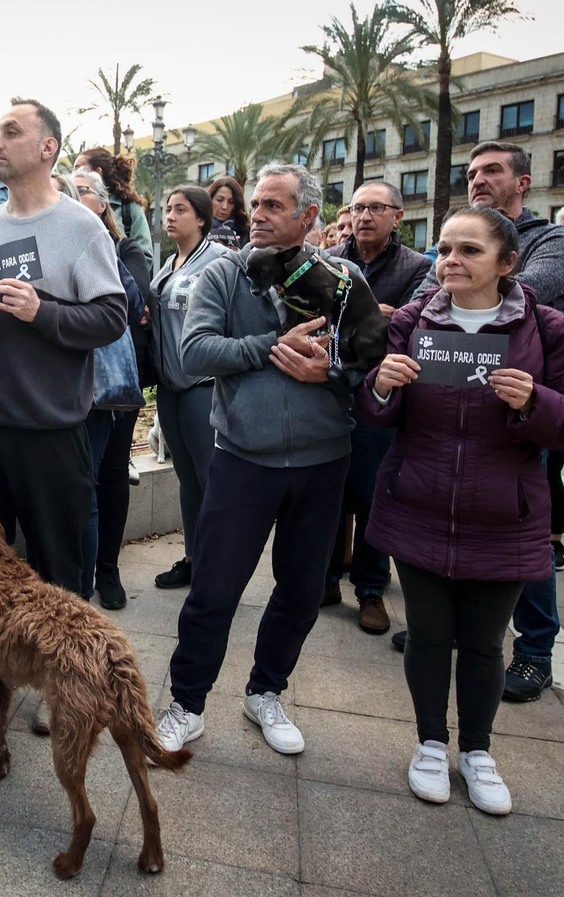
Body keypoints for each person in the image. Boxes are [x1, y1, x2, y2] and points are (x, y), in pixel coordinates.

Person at [361, 207, 564, 816]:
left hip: (505, 514)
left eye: (469, 250)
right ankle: (429, 743)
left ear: (507, 263)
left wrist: (536, 401)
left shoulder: (547, 330)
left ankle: (477, 750)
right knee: (427, 634)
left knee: (482, 643)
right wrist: (382, 385)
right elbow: (371, 411)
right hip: (418, 502)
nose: (451, 262)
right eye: (445, 249)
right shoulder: (414, 321)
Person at [153, 163, 358, 757]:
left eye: (275, 205)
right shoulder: (225, 274)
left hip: (324, 464)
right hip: (244, 460)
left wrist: (333, 370)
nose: (258, 214)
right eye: (257, 204)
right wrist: (271, 347)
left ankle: (265, 691)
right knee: (214, 588)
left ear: (308, 216)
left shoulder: (341, 279)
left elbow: (368, 359)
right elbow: (193, 353)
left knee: (300, 589)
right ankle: (186, 704)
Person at [409, 142, 564, 703]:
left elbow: (537, 291)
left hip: (513, 420)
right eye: (472, 172)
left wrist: (476, 289)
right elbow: (423, 296)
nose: (478, 179)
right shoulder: (451, 259)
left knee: (520, 534)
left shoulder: (551, 238)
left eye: (493, 171)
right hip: (444, 418)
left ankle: (533, 650)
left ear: (522, 183)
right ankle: (444, 625)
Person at [0, 100, 126, 594]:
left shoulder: (83, 227)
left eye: (10, 132)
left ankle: (64, 671)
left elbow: (111, 318)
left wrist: (42, 311)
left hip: (50, 435)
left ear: (48, 148)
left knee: (57, 578)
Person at [327, 181, 432, 633]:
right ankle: (325, 579)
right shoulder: (329, 260)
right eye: (358, 207)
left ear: (398, 216)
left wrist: (372, 318)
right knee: (328, 491)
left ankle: (370, 590)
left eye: (376, 207)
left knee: (373, 494)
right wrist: (375, 315)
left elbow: (414, 324)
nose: (365, 216)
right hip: (330, 390)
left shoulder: (417, 267)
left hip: (382, 395)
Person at [69, 170, 149, 611]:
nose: (70, 195)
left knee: (109, 478)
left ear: (102, 204)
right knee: (81, 485)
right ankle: (78, 582)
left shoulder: (119, 247)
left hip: (110, 389)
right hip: (68, 388)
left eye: (80, 190)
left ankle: (106, 573)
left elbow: (135, 308)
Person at [149, 186, 232, 591]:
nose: (170, 215)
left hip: (203, 385)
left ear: (202, 218)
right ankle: (193, 558)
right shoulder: (167, 264)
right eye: (167, 208)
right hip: (170, 389)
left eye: (180, 209)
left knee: (210, 479)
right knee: (186, 478)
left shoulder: (221, 261)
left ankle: (218, 569)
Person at [75, 147, 154, 271]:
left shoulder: (129, 209)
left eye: (78, 167)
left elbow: (145, 257)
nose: (73, 173)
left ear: (98, 172)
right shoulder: (71, 208)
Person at [208, 176, 250, 247]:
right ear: (210, 199)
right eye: (219, 200)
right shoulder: (197, 229)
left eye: (231, 202)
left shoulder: (246, 233)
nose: (225, 207)